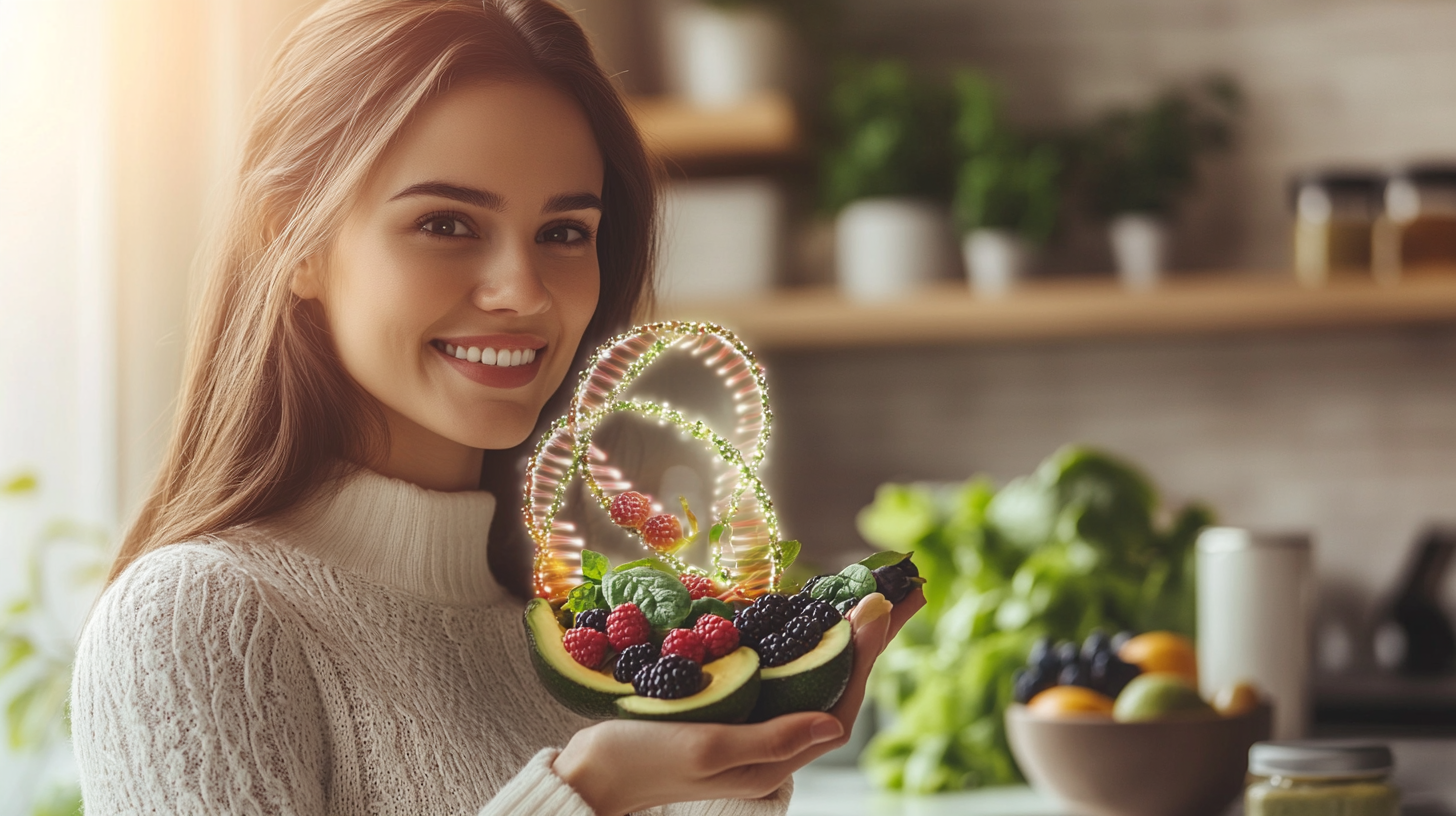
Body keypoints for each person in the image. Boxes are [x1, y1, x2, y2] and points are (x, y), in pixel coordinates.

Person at [70, 1, 923, 814]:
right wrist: (582, 797)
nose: (523, 292)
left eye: (564, 233)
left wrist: (738, 760)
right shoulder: (191, 621)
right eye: (446, 223)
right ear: (289, 241)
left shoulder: (568, 633)